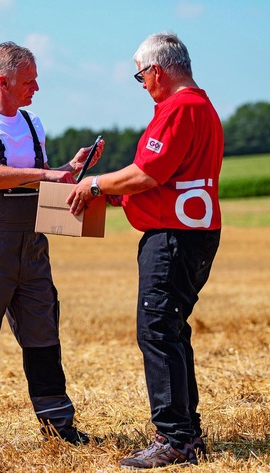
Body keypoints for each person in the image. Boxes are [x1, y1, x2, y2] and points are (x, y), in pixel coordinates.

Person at [67, 32, 222, 469]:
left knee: (156, 331)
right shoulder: (202, 107)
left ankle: (173, 438)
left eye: (141, 77)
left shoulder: (178, 108)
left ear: (156, 70)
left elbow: (148, 173)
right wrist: (119, 195)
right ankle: (187, 434)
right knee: (170, 329)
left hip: (173, 237)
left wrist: (96, 184)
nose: (143, 86)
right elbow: (167, 178)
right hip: (193, 231)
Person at [0, 41, 103, 450]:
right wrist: (48, 176)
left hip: (32, 244)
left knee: (43, 331)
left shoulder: (34, 125)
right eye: (29, 81)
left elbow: (42, 179)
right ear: (4, 81)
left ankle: (57, 425)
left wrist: (69, 169)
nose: (36, 88)